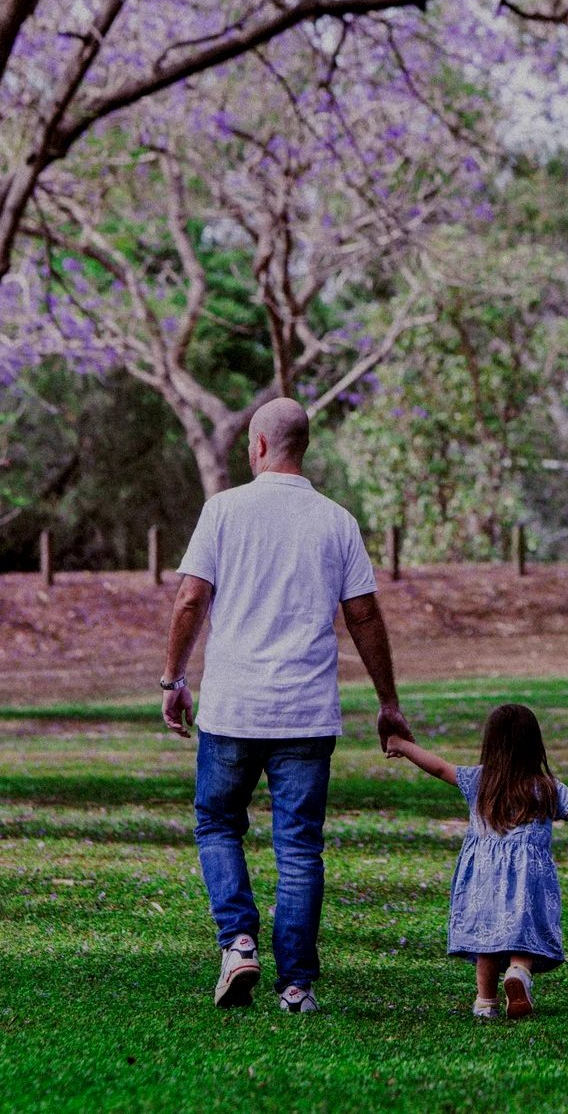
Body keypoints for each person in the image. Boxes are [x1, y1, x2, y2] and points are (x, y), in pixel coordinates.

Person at [159, 397, 413, 1014]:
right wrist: (387, 702)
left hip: (232, 710)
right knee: (299, 847)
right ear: (303, 447)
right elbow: (365, 617)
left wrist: (173, 679)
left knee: (218, 824)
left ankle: (238, 941)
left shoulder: (223, 511)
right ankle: (296, 987)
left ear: (259, 446)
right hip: (307, 713)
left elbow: (191, 600)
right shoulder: (336, 521)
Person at [384, 703, 568, 1019]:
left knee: (486, 942)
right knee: (522, 935)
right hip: (530, 878)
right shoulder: (547, 787)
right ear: (534, 745)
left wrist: (402, 745)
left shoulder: (478, 780)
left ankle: (485, 1002)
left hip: (482, 877)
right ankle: (518, 974)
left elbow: (439, 767)